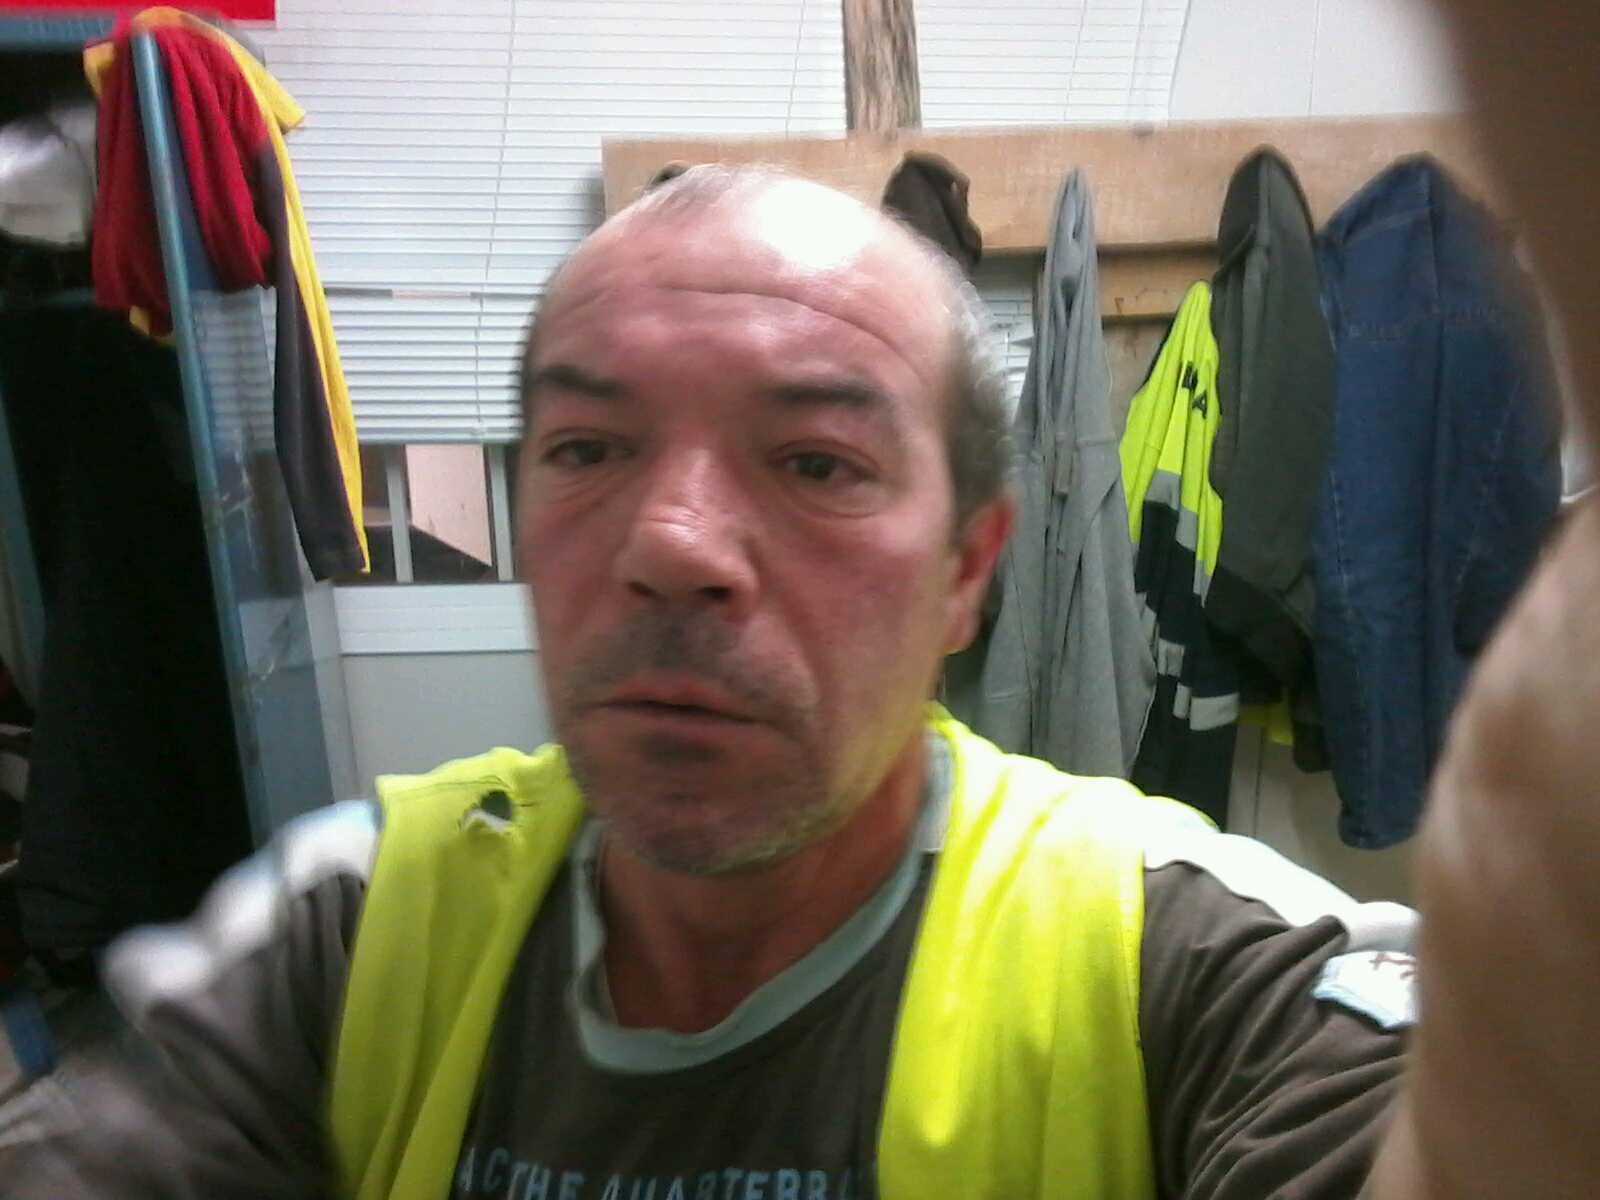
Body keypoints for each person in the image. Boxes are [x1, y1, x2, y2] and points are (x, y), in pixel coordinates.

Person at [16, 2, 1600, 1194]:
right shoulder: (359, 925)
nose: (673, 544)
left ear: (969, 570)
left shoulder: (1167, 952)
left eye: (818, 463)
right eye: (588, 448)